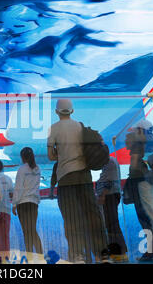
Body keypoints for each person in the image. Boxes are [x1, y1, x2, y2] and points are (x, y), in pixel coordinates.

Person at [47, 98, 107, 263]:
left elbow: (51, 156)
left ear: (56, 112)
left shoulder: (53, 128)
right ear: (72, 111)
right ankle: (103, 254)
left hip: (66, 177)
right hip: (85, 175)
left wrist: (62, 153)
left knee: (71, 217)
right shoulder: (80, 126)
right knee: (92, 214)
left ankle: (78, 255)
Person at [123, 120, 153, 261]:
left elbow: (134, 169)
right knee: (149, 220)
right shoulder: (145, 147)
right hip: (145, 187)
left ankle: (152, 251)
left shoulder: (137, 150)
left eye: (127, 138)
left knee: (146, 220)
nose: (125, 141)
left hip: (141, 189)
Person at [12, 147, 43, 260]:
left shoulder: (22, 169)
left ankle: (29, 258)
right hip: (34, 203)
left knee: (26, 231)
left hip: (23, 203)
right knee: (33, 230)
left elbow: (19, 188)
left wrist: (14, 204)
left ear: (22, 157)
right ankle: (40, 257)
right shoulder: (37, 168)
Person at [95, 156, 128, 261]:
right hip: (110, 194)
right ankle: (115, 250)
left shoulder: (109, 161)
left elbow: (109, 181)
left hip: (109, 195)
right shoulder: (110, 161)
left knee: (112, 224)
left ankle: (120, 252)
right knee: (110, 224)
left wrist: (102, 195)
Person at [0, 159, 14, 263]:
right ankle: (6, 257)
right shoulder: (8, 179)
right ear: (2, 168)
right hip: (6, 210)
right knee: (5, 235)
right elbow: (12, 195)